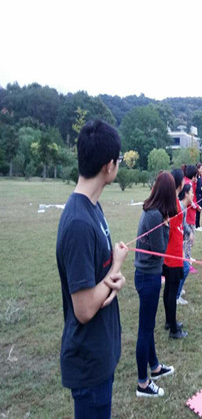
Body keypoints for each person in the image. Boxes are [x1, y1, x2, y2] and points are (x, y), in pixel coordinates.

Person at [56, 120, 129, 418]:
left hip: (101, 352)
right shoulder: (78, 223)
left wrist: (114, 277)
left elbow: (100, 275)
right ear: (109, 165)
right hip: (88, 362)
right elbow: (84, 309)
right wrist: (117, 265)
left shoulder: (93, 208)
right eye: (119, 159)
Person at [134, 171, 177, 397]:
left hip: (148, 274)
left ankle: (155, 367)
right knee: (145, 329)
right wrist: (167, 226)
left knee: (148, 325)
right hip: (147, 276)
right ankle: (143, 383)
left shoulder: (153, 211)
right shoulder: (154, 215)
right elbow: (160, 249)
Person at [163, 169, 188, 339]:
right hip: (173, 255)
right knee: (172, 291)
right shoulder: (173, 204)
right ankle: (173, 329)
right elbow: (171, 229)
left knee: (169, 289)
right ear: (179, 184)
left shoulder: (171, 201)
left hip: (173, 252)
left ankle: (169, 321)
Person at [177, 182, 194, 305]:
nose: (193, 194)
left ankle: (178, 289)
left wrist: (189, 232)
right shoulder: (181, 207)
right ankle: (176, 296)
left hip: (180, 242)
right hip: (176, 244)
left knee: (185, 267)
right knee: (185, 267)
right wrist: (189, 232)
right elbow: (180, 224)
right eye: (192, 192)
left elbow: (183, 223)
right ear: (186, 194)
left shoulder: (184, 207)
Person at [195, 163, 202, 231]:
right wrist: (200, 189)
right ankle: (196, 226)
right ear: (198, 169)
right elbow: (195, 188)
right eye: (201, 169)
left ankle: (198, 225)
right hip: (197, 195)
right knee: (197, 211)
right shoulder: (196, 177)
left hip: (201, 195)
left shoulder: (200, 177)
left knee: (200, 210)